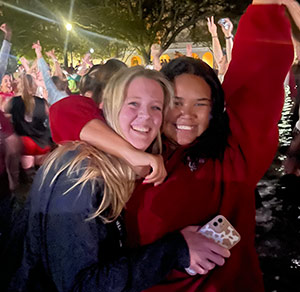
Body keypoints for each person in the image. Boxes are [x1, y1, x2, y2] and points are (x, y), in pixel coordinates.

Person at [49, 0, 293, 290]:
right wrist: (133, 154)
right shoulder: (132, 152)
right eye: (175, 102)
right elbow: (65, 111)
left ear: (215, 110)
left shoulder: (235, 156)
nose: (186, 115)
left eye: (200, 104)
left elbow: (258, 72)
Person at [9, 66, 230, 292]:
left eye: (156, 107)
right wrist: (176, 250)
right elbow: (78, 286)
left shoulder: (122, 164)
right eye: (133, 103)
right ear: (106, 108)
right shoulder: (78, 174)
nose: (145, 116)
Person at [6, 73, 52, 174]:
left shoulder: (12, 101)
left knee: (29, 175)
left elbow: (5, 119)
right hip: (42, 142)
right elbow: (51, 120)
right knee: (42, 173)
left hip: (24, 143)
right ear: (34, 85)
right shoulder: (42, 102)